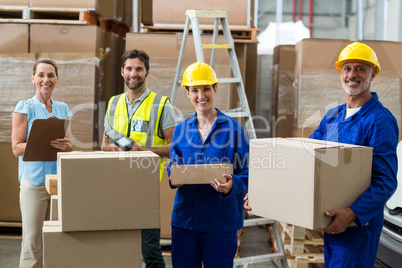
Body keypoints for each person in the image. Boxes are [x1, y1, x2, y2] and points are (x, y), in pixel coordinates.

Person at [167, 62, 249, 268]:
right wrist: (174, 175)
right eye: (194, 90)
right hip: (186, 220)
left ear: (215, 89)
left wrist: (233, 185)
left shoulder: (233, 129)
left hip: (220, 222)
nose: (200, 96)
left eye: (206, 89)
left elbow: (250, 170)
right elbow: (173, 164)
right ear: (187, 93)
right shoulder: (181, 130)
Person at [101, 49, 176, 268]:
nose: (134, 73)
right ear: (122, 71)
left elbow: (175, 147)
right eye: (129, 69)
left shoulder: (161, 104)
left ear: (147, 72)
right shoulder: (113, 103)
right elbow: (104, 144)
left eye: (139, 69)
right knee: (119, 249)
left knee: (150, 250)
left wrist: (145, 151)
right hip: (116, 185)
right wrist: (112, 150)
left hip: (145, 187)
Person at [11, 58, 73, 268]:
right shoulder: (25, 107)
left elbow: (70, 145)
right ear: (33, 78)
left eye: (50, 75)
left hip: (57, 183)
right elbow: (16, 147)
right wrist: (40, 142)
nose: (46, 79)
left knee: (53, 241)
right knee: (32, 242)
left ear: (57, 79)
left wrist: (67, 145)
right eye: (41, 75)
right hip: (35, 183)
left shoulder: (63, 109)